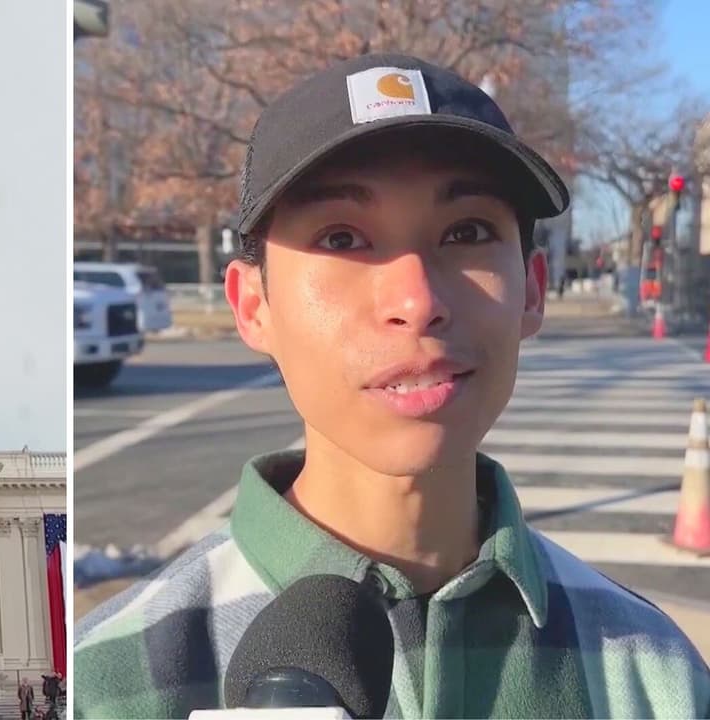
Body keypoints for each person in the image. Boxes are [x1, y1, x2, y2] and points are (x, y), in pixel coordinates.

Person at [72, 52, 710, 719]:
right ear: (252, 306)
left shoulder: (656, 675)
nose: (417, 299)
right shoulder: (111, 682)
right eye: (343, 237)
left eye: (466, 232)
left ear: (533, 290)